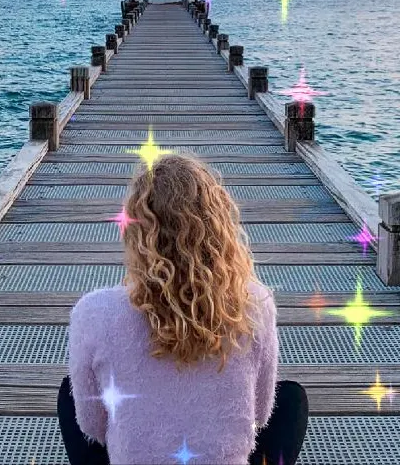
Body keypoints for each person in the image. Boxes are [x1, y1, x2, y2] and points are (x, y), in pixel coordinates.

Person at [58, 154, 308, 465]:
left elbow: (93, 427)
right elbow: (259, 413)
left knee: (70, 392)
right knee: (292, 399)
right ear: (220, 230)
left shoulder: (93, 312)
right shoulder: (256, 304)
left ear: (136, 232)